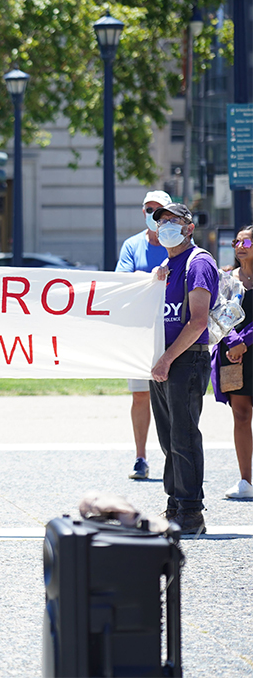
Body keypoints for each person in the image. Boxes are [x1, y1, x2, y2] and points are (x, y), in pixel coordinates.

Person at [150, 202, 217, 535]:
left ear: (189, 227)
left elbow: (198, 321)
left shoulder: (198, 263)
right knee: (168, 439)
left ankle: (191, 511)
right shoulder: (167, 265)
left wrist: (167, 359)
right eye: (160, 221)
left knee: (184, 436)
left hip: (185, 358)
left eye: (171, 221)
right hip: (164, 360)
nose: (164, 226)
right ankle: (175, 503)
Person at [116, 190, 173, 481]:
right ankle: (141, 456)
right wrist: (153, 276)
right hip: (140, 333)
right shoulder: (132, 245)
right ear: (143, 212)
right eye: (150, 209)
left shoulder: (177, 242)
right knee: (141, 395)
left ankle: (174, 458)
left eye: (160, 210)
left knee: (171, 398)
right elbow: (124, 281)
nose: (155, 215)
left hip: (173, 332)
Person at [210, 225, 253, 500]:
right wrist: (234, 340)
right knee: (240, 416)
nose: (239, 245)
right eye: (237, 241)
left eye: (246, 242)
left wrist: (245, 341)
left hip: (243, 348)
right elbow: (219, 312)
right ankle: (245, 481)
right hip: (234, 355)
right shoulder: (228, 279)